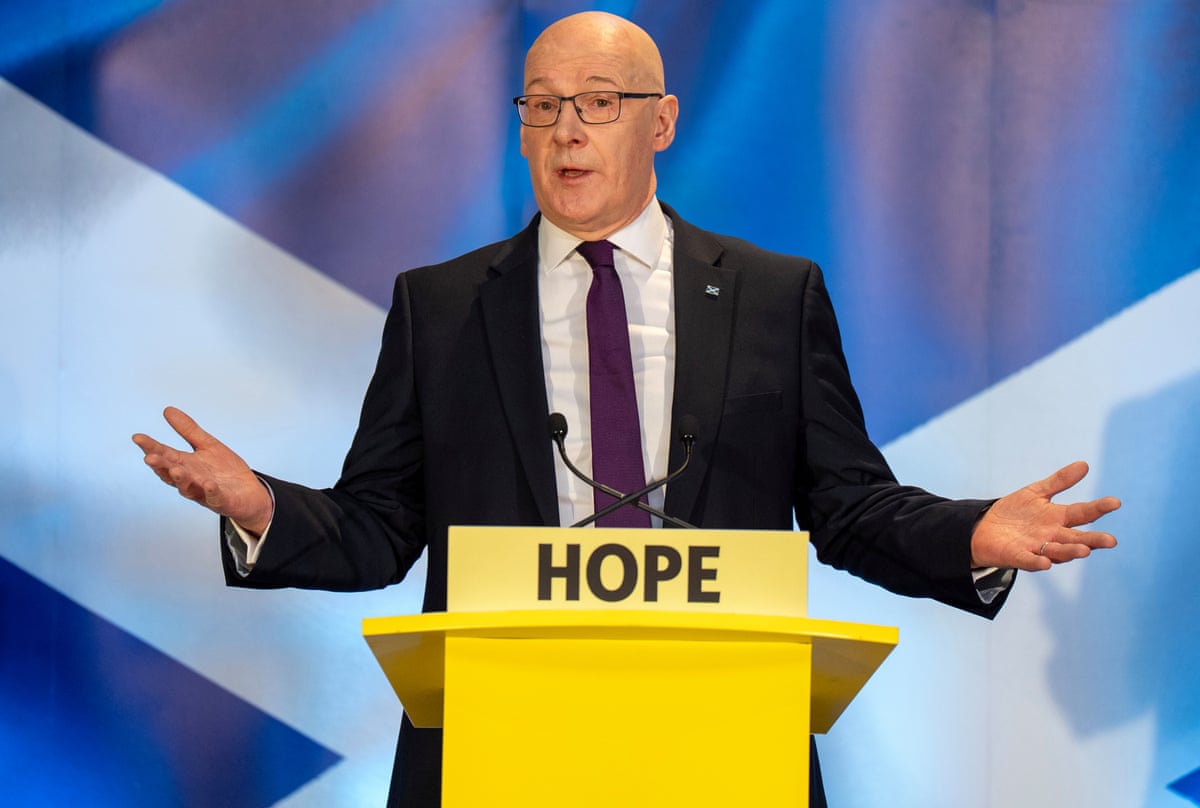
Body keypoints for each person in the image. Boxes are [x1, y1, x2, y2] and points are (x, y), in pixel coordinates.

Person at [132, 11, 1120, 807]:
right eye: (545, 105)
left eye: (599, 102)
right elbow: (382, 527)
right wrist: (265, 509)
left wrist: (972, 535)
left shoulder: (777, 297)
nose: (568, 129)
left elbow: (849, 505)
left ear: (662, 121)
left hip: (718, 743)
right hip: (497, 748)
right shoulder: (441, 307)